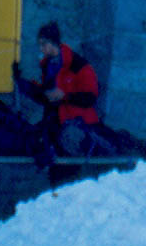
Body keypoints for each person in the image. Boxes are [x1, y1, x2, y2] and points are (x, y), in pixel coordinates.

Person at [13, 21, 101, 161]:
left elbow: (90, 98)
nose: (41, 48)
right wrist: (21, 82)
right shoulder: (48, 66)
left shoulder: (78, 65)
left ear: (53, 42)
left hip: (76, 126)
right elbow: (44, 97)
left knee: (68, 169)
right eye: (39, 44)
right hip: (54, 123)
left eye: (43, 44)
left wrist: (65, 96)